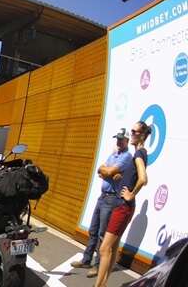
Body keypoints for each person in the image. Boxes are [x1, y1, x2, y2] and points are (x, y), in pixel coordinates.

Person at [94, 121, 150, 287]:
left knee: (104, 249)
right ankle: (102, 284)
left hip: (123, 207)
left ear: (142, 135)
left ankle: (98, 285)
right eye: (131, 131)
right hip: (124, 207)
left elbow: (143, 179)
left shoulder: (139, 154)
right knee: (113, 247)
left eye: (134, 131)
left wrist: (131, 194)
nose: (131, 134)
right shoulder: (138, 154)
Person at [71, 128, 132, 278]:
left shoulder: (127, 156)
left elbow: (109, 172)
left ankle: (98, 265)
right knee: (93, 230)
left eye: (121, 139)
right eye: (117, 138)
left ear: (127, 140)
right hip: (103, 196)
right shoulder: (113, 155)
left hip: (111, 198)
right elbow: (100, 171)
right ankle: (86, 259)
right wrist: (107, 171)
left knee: (102, 234)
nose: (118, 141)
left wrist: (108, 172)